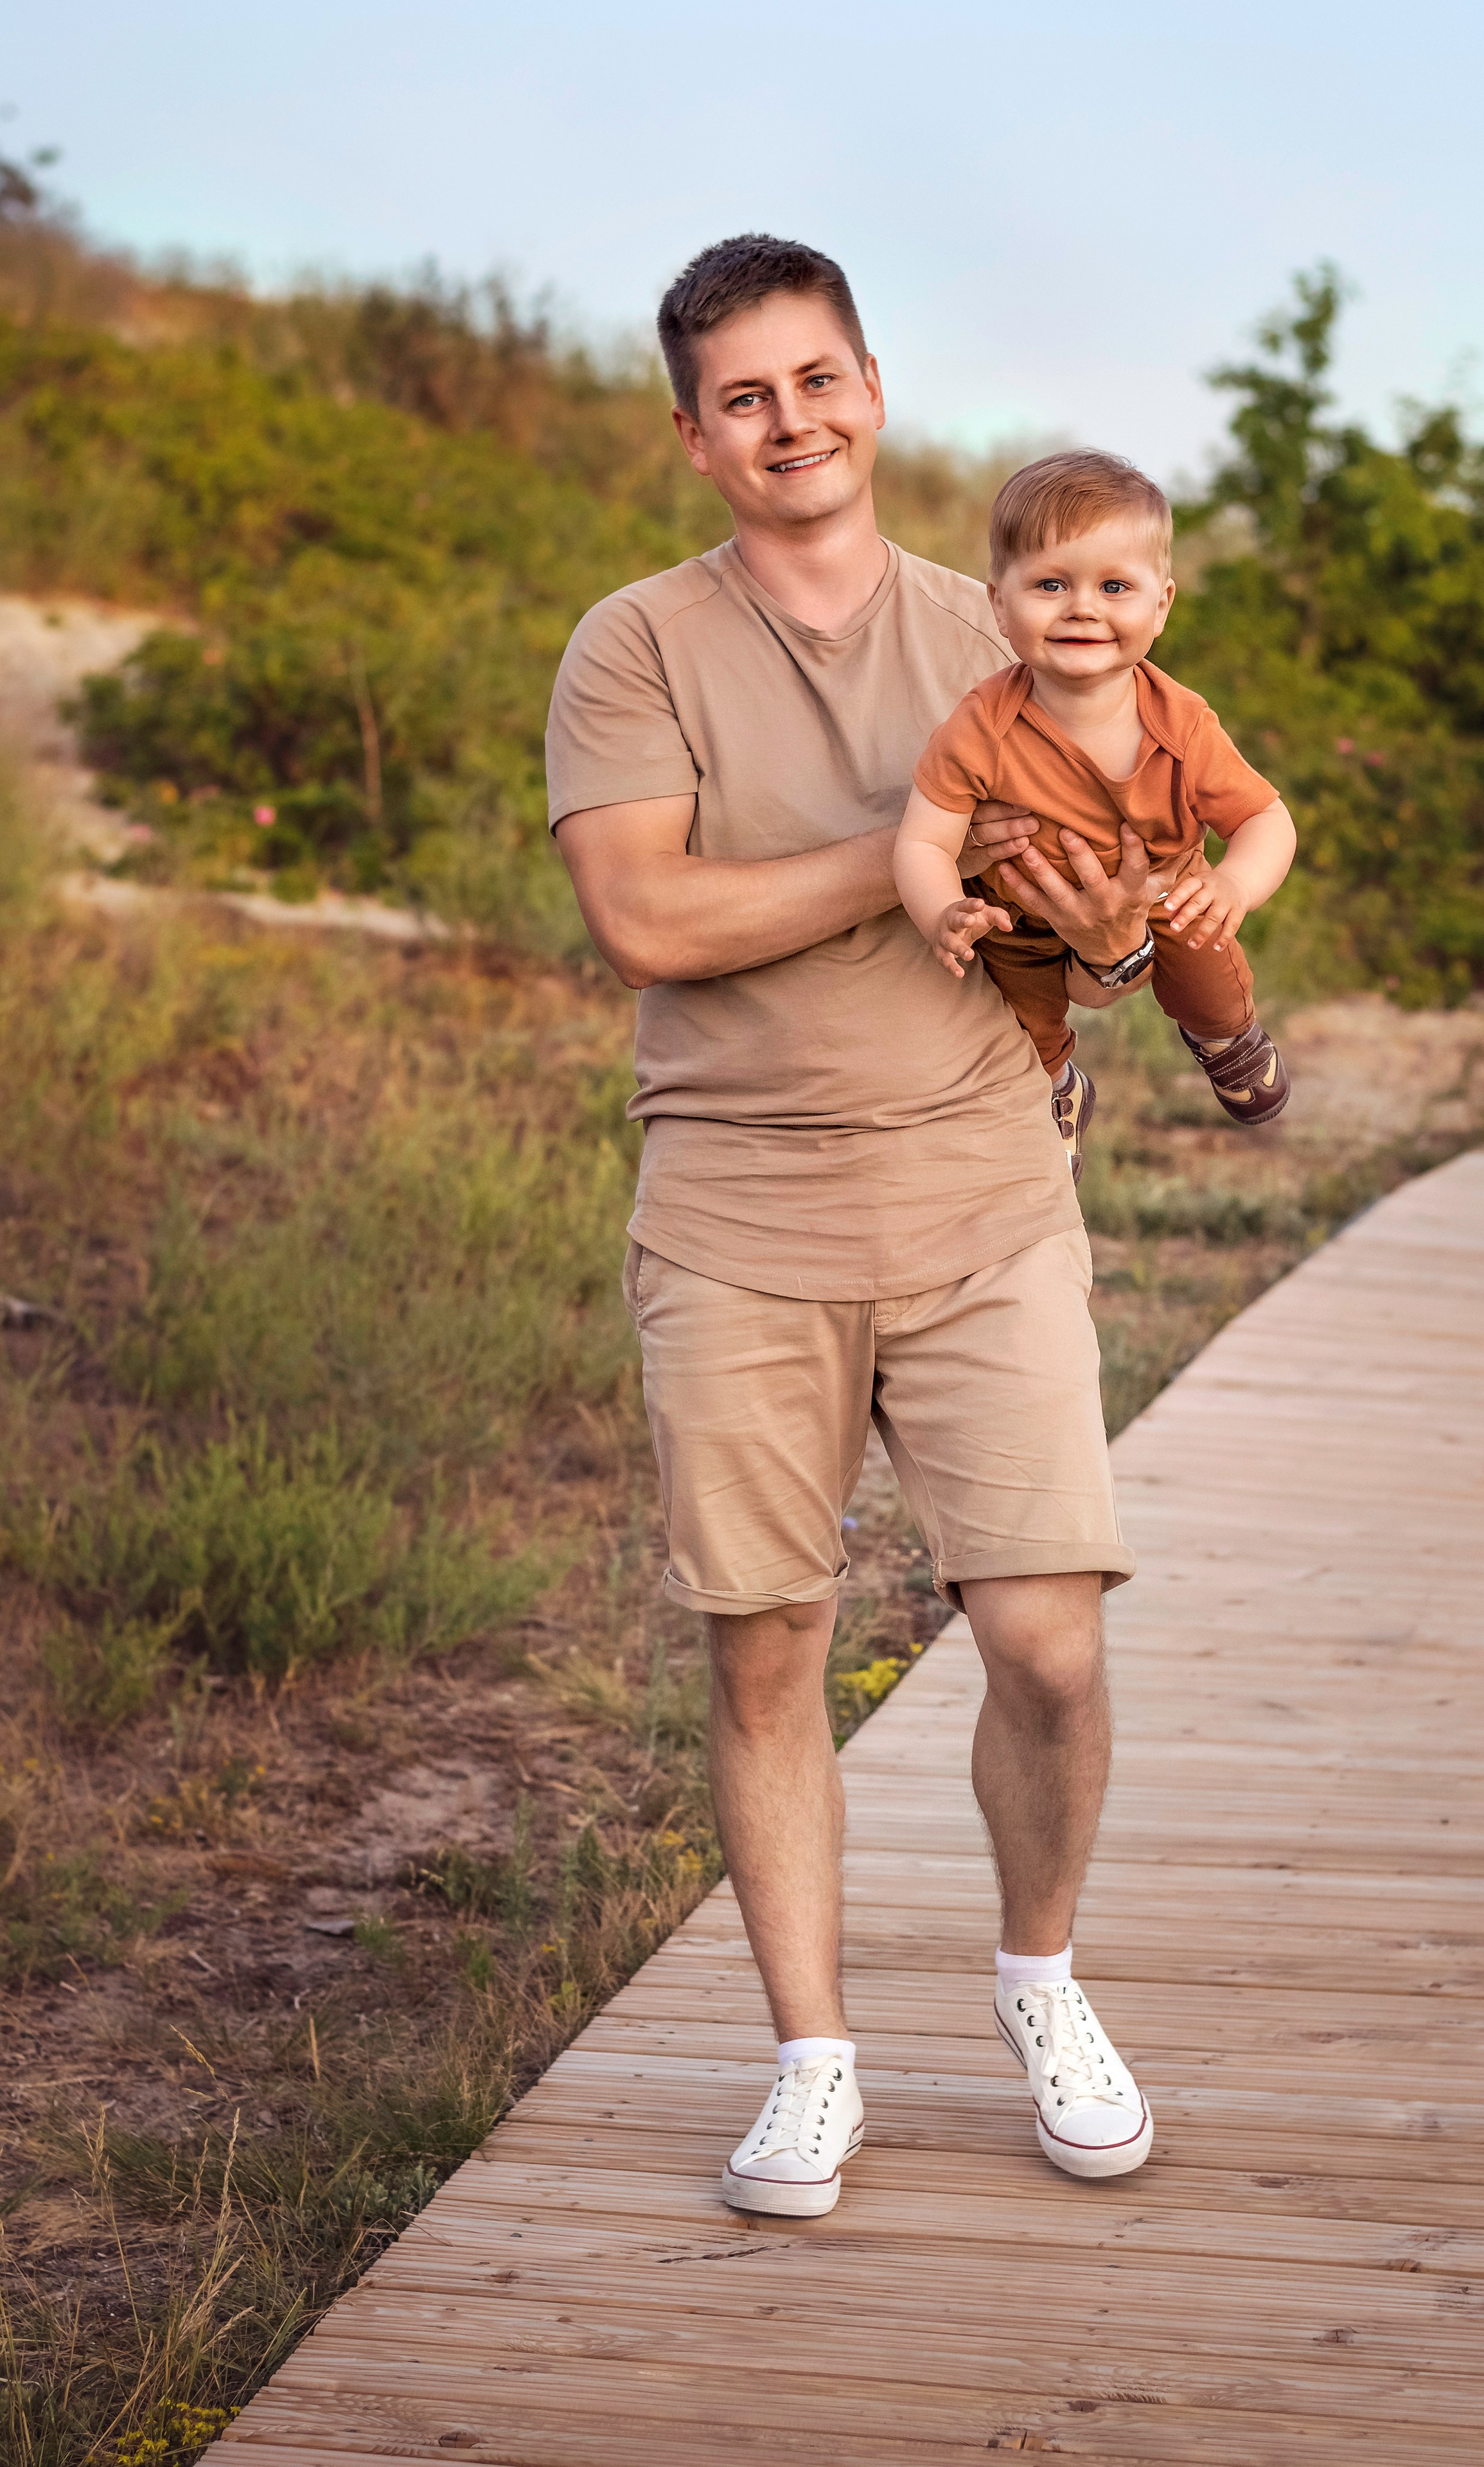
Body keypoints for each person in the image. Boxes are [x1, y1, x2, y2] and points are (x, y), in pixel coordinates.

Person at [547, 233, 1158, 2218]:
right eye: (744, 397)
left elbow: (1108, 915)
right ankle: (811, 2061)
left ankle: (1039, 1978)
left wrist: (1105, 916)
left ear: (874, 391)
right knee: (768, 1651)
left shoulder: (1009, 628)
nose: (788, 420)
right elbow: (649, 919)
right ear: (693, 437)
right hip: (737, 1211)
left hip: (983, 1193)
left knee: (1047, 1643)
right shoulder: (634, 646)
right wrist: (914, 848)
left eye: (817, 379)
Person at [895, 449, 1298, 1175]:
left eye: (1114, 586)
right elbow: (924, 840)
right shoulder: (980, 724)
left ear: (1161, 606)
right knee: (1018, 1014)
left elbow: (1266, 819)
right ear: (998, 604)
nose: (1082, 607)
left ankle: (1224, 1034)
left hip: (1163, 888)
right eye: (1050, 584)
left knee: (1203, 954)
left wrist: (1235, 883)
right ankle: (1056, 1086)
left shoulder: (1181, 723)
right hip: (1018, 909)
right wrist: (940, 912)